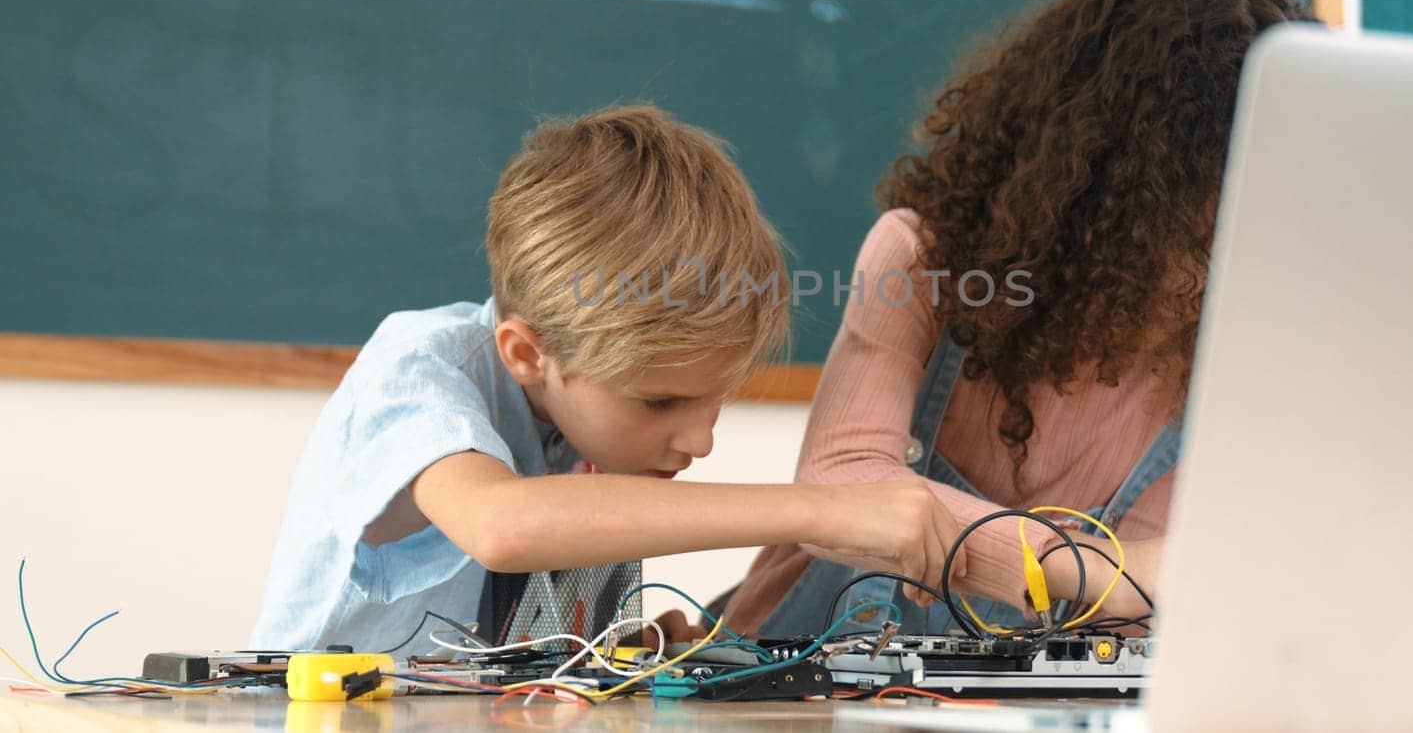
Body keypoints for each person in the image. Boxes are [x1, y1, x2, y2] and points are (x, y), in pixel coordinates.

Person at [724, 0, 1316, 637]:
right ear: (1121, 179)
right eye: (1212, 201)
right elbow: (840, 483)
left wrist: (1090, 575)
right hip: (801, 675)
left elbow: (1154, 601)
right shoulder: (924, 258)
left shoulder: (1230, 360)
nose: (1238, 233)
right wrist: (1089, 569)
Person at [250, 105, 962, 654]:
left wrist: (628, 652)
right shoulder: (418, 371)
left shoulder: (596, 428)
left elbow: (516, 656)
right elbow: (503, 527)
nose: (701, 439)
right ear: (528, 354)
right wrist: (819, 509)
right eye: (661, 400)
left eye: (717, 400)